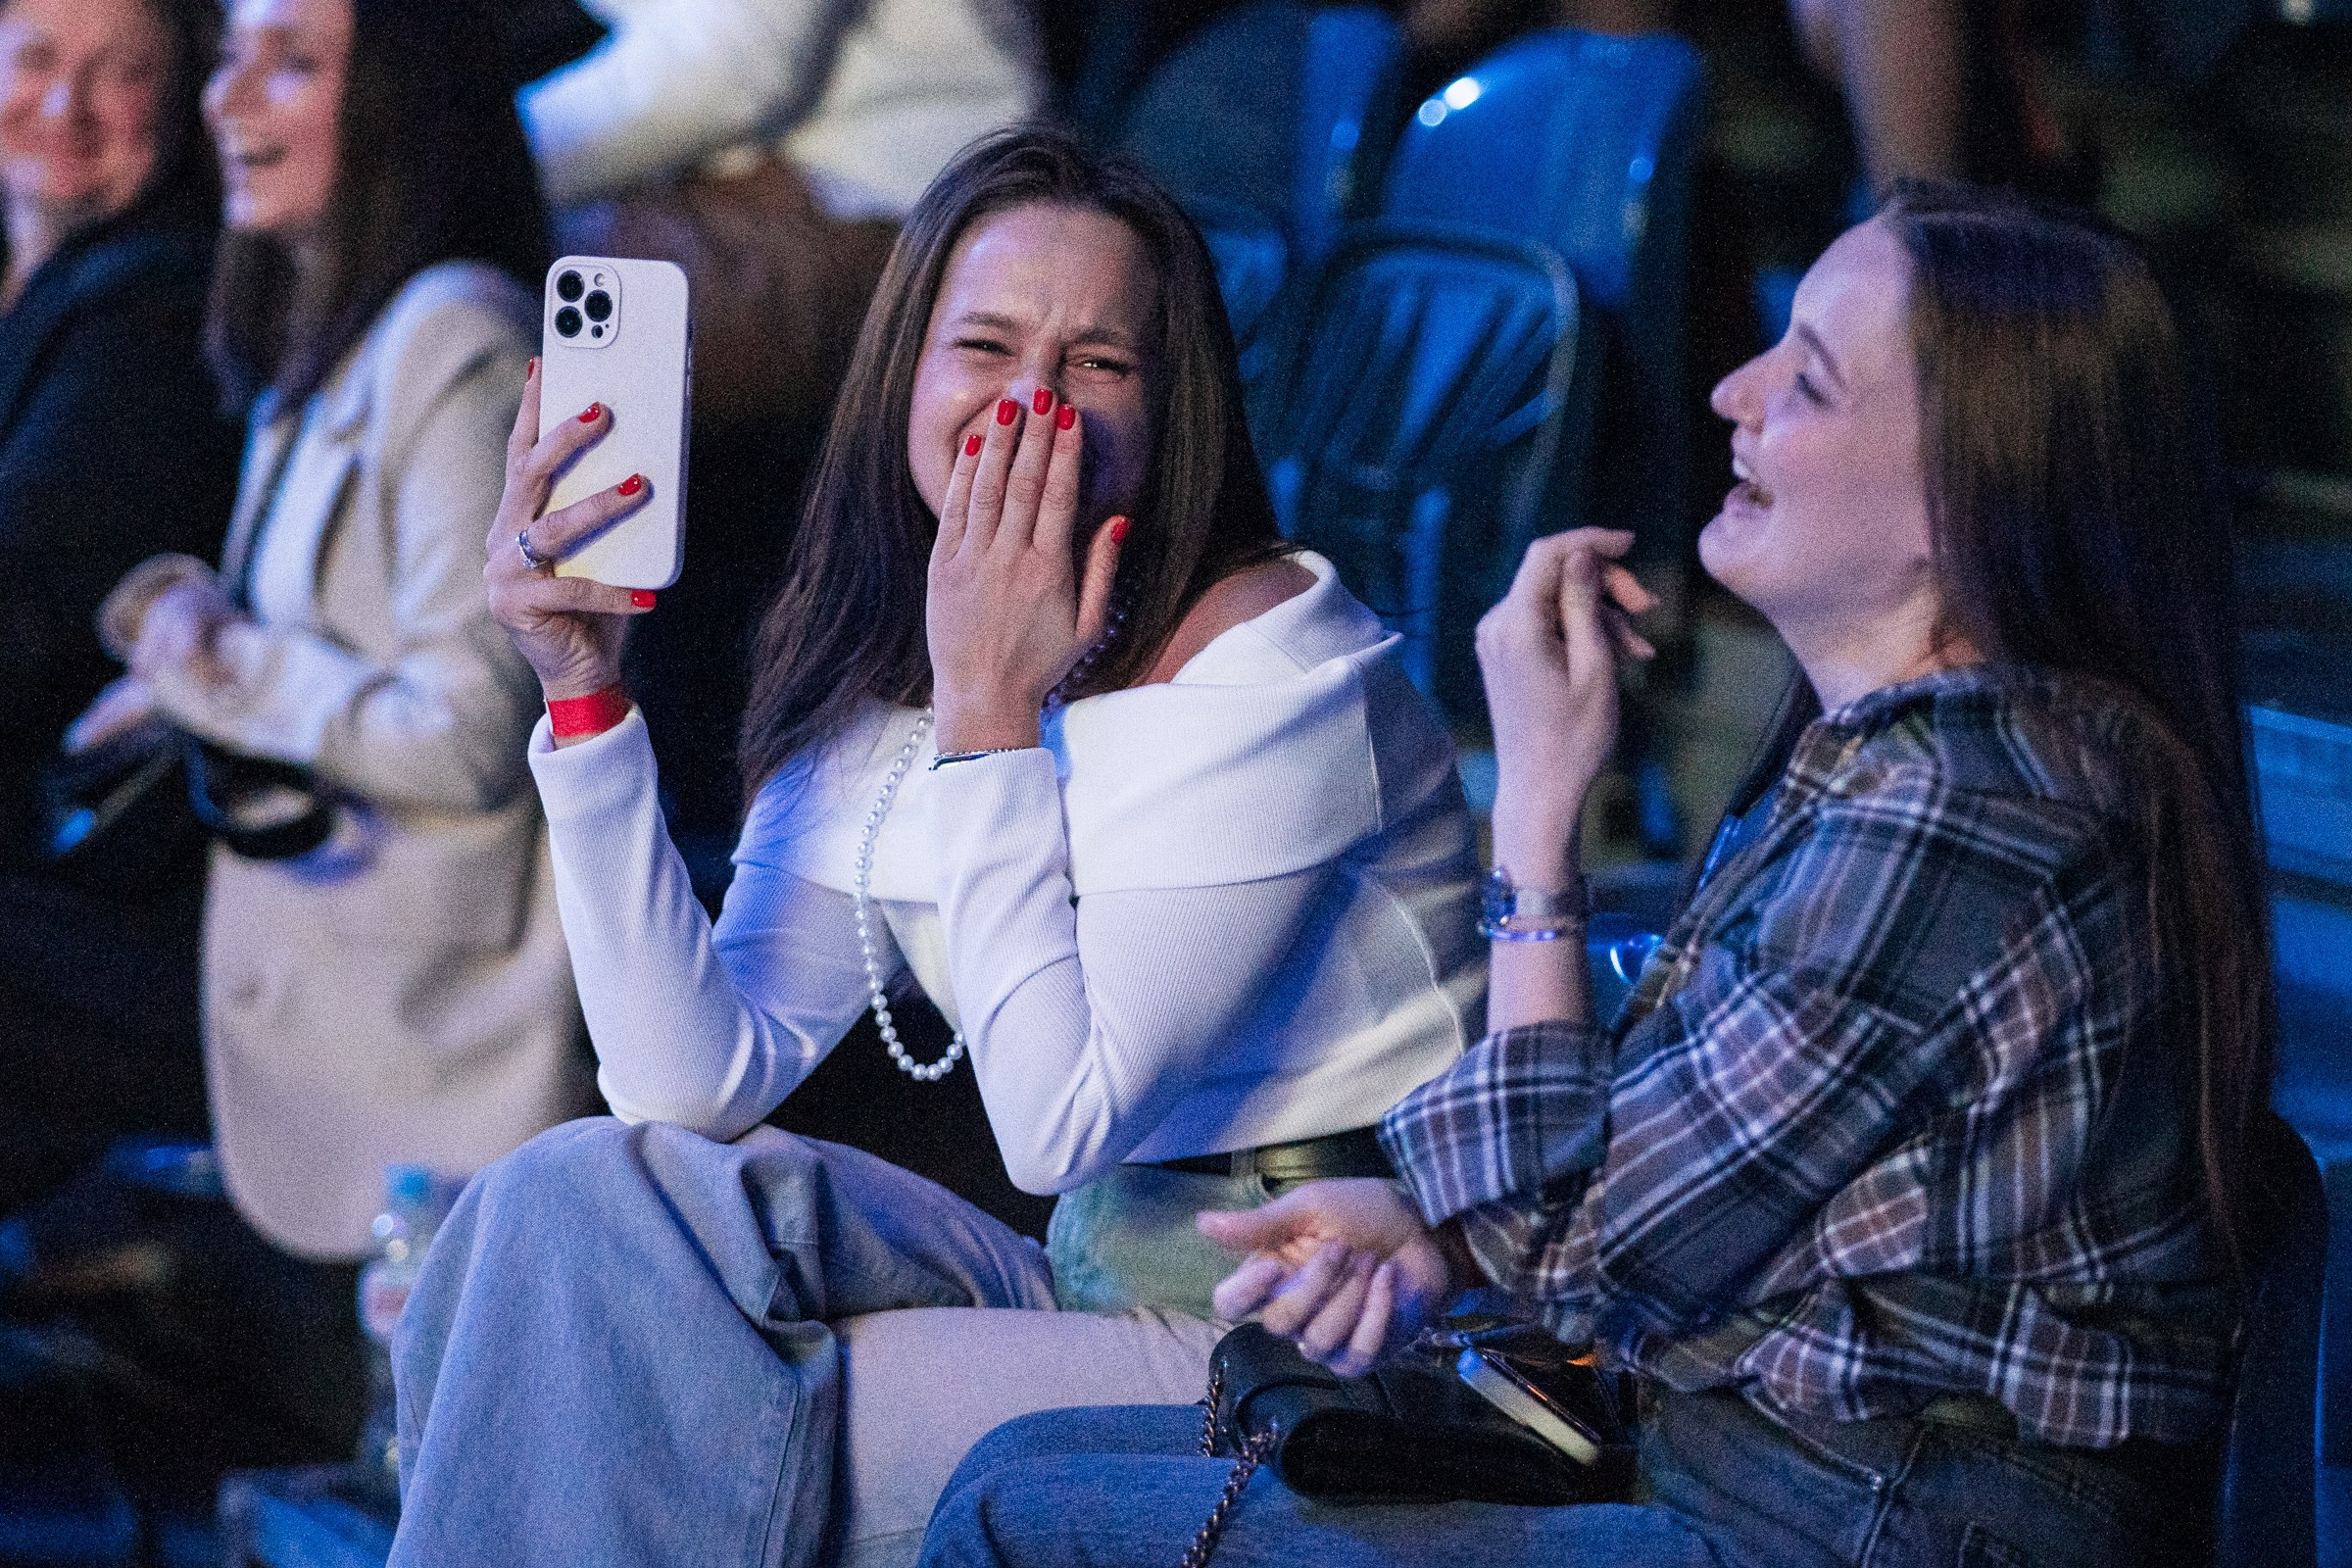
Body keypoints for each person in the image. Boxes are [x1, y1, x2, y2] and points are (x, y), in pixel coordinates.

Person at [921, 182, 2277, 1568]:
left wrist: (1541, 818)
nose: (1733, 395)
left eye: (1805, 381)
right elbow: (1643, 1180)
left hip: (1857, 1521)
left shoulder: (1980, 805)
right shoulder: (1901, 765)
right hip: (1754, 1464)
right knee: (1023, 1467)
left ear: (1966, 487)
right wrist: (1438, 1243)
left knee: (1017, 1521)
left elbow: (1585, 1248)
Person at [388, 128, 1484, 1568]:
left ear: (1171, 420)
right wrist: (585, 693)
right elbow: (683, 1082)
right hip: (1085, 1269)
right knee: (564, 1201)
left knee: (650, 1400)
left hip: (1300, 1324)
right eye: (985, 344)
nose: (1032, 400)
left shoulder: (1276, 659)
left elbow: (1061, 1122)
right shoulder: (897, 658)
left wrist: (989, 714)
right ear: (906, 377)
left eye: (1098, 364)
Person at [75, 0, 590, 1263]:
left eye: (291, 64)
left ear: (396, 112)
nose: (226, 99)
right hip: (285, 936)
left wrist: (215, 668)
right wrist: (185, 627)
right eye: (229, 56)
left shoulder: (456, 335)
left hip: (408, 1000)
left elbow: (470, 732)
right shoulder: (331, 334)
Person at [0, 0, 241, 1214]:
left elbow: (25, 600)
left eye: (119, 74)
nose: (63, 107)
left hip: (101, 888)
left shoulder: (159, 307)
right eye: (35, 57)